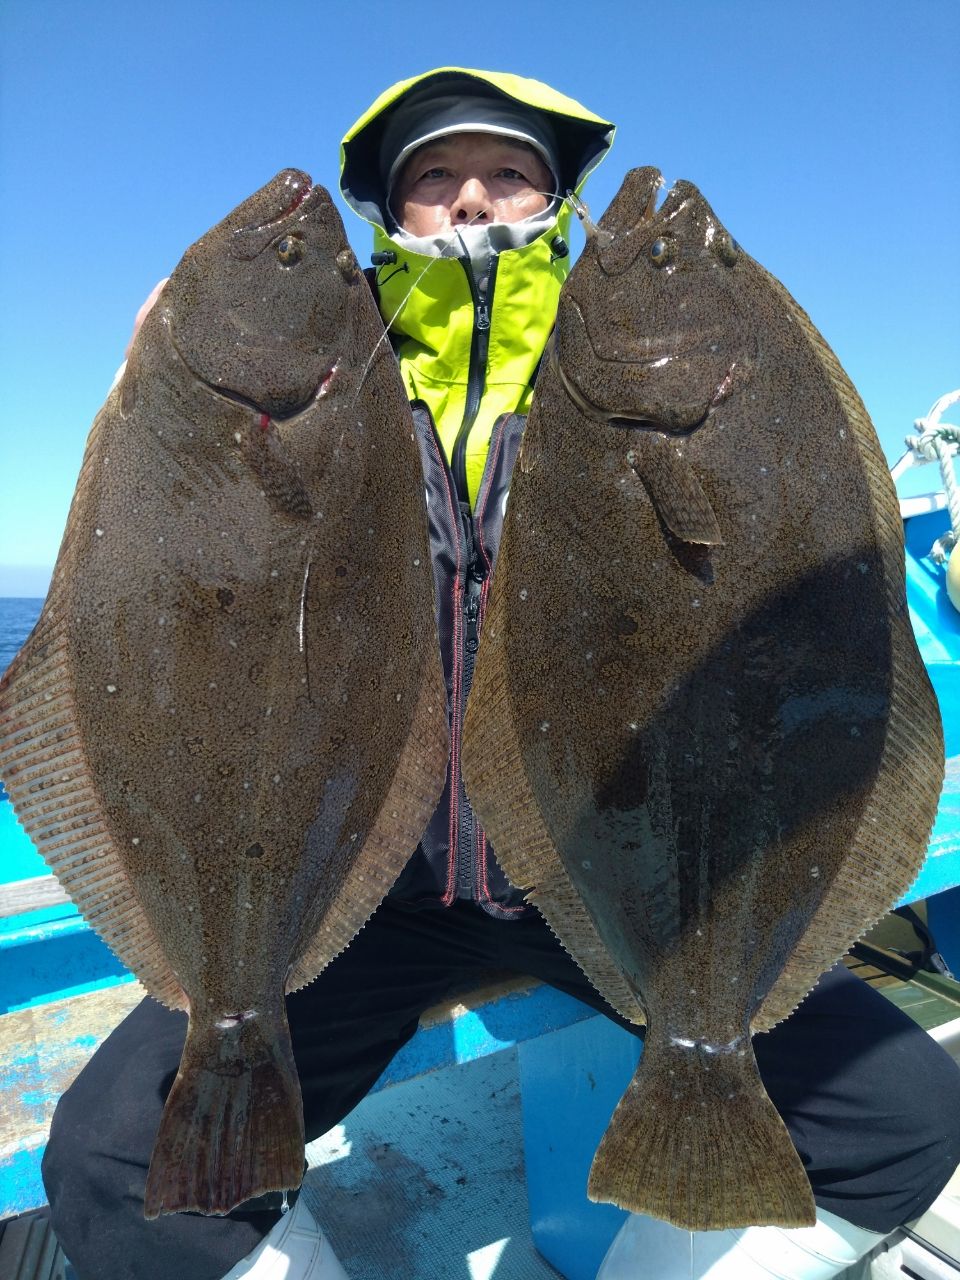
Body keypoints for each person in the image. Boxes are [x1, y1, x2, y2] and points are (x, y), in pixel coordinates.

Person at [41, 68, 960, 1280]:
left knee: (905, 1115)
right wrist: (146, 410)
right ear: (393, 210)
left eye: (509, 171)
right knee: (112, 1158)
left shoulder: (591, 376)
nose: (473, 198)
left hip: (595, 881)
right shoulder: (339, 371)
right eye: (433, 176)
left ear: (555, 195)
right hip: (366, 891)